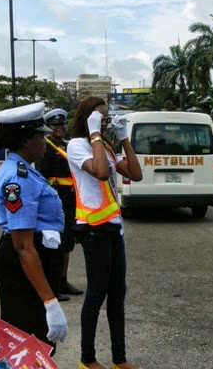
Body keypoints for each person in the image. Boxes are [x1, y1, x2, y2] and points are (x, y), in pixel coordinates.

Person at [66, 96, 143, 369]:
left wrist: (123, 139)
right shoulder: (76, 145)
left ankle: (119, 359)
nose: (106, 121)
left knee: (117, 294)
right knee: (96, 294)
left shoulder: (105, 146)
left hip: (113, 229)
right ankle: (87, 359)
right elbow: (99, 172)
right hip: (93, 231)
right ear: (88, 119)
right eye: (101, 117)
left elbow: (135, 174)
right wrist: (95, 134)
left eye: (107, 117)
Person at [0, 102, 68, 352]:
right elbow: (23, 246)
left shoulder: (26, 170)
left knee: (31, 343)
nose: (45, 142)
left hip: (34, 257)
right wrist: (50, 302)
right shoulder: (18, 179)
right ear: (26, 141)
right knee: (29, 344)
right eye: (40, 136)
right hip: (24, 262)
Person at [36, 107, 84, 302]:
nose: (59, 129)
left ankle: (63, 281)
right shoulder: (45, 148)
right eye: (55, 126)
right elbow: (42, 177)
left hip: (70, 200)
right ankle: (53, 286)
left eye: (61, 125)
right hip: (55, 200)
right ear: (48, 127)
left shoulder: (66, 146)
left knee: (67, 243)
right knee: (55, 245)